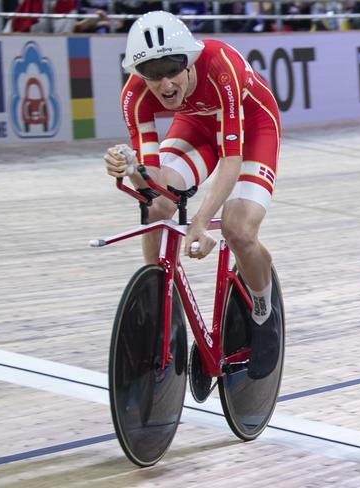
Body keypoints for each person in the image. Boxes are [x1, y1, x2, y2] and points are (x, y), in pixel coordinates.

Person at [103, 11, 282, 380]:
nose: (166, 84)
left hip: (252, 130)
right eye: (153, 74)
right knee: (157, 208)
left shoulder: (220, 66)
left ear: (190, 61)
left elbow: (232, 160)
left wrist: (201, 222)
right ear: (138, 74)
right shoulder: (133, 97)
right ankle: (159, 295)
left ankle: (264, 312)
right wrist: (131, 167)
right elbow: (152, 185)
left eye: (173, 70)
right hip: (198, 127)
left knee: (238, 230)